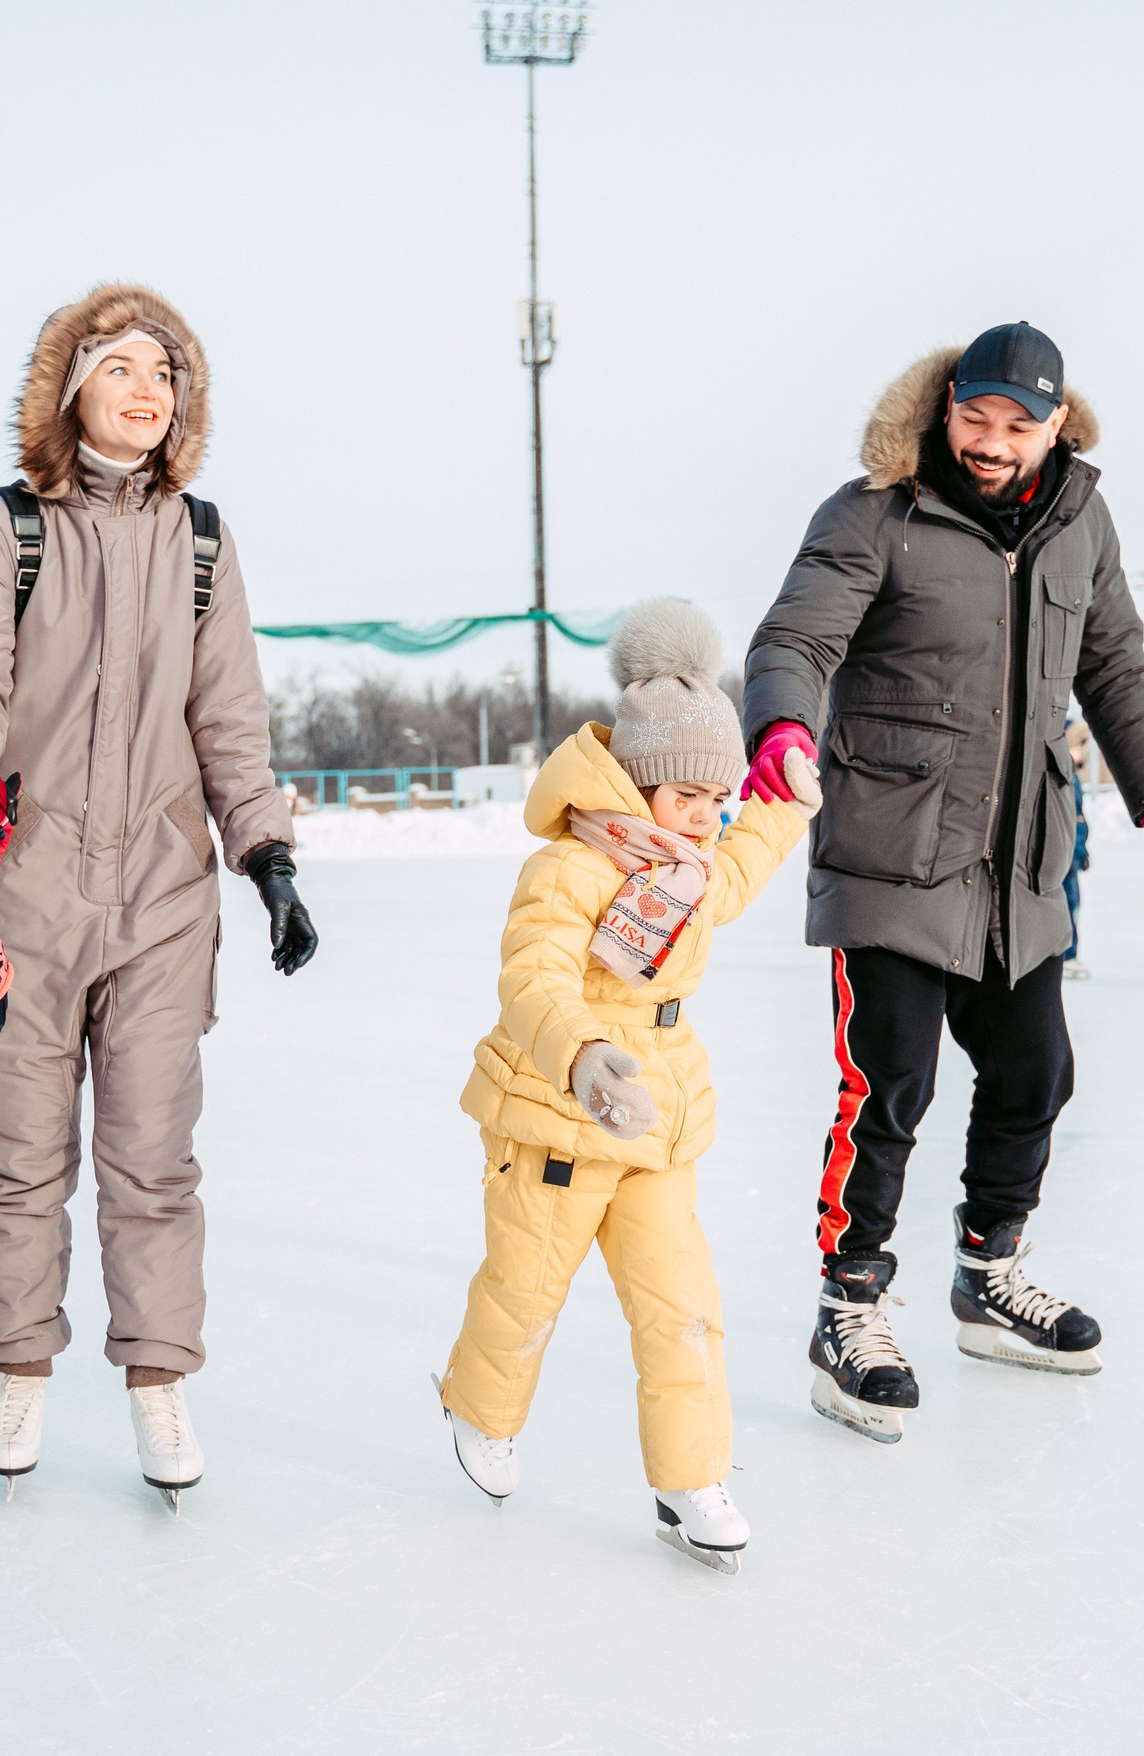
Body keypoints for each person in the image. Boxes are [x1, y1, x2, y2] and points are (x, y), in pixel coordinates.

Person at [740, 320, 1144, 1443]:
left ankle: (988, 1273)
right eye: (974, 417)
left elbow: (1115, 666)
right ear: (944, 408)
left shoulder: (1080, 520)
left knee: (1036, 1071)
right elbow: (793, 637)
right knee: (887, 1089)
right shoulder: (874, 513)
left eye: (1016, 424)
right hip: (891, 850)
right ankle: (847, 1310)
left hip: (1019, 863)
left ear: (1054, 426)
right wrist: (784, 723)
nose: (991, 442)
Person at [0, 284, 314, 1511]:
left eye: (167, 375)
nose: (148, 390)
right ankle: (22, 1363)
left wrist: (267, 856)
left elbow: (228, 718)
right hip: (19, 894)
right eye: (123, 368)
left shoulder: (201, 538)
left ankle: (155, 1378)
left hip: (159, 893)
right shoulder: (7, 531)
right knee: (20, 1161)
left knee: (151, 1157)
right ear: (72, 388)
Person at [439, 601, 814, 1573]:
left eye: (716, 797)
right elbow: (533, 979)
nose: (704, 815)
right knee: (523, 1293)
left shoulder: (686, 870)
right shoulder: (570, 867)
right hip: (560, 1114)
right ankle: (479, 1408)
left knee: (681, 1306)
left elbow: (736, 868)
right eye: (684, 794)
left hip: (654, 1120)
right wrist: (581, 1055)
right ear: (636, 779)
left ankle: (689, 1476)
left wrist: (786, 799)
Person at [1061, 743, 1091, 978]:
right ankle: (1065, 954)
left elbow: (1079, 818)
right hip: (1063, 849)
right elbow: (1069, 817)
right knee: (1066, 903)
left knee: (1072, 902)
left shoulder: (1073, 775)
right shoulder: (1064, 775)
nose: (1082, 752)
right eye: (1079, 746)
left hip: (1072, 849)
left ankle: (1068, 953)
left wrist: (1082, 851)